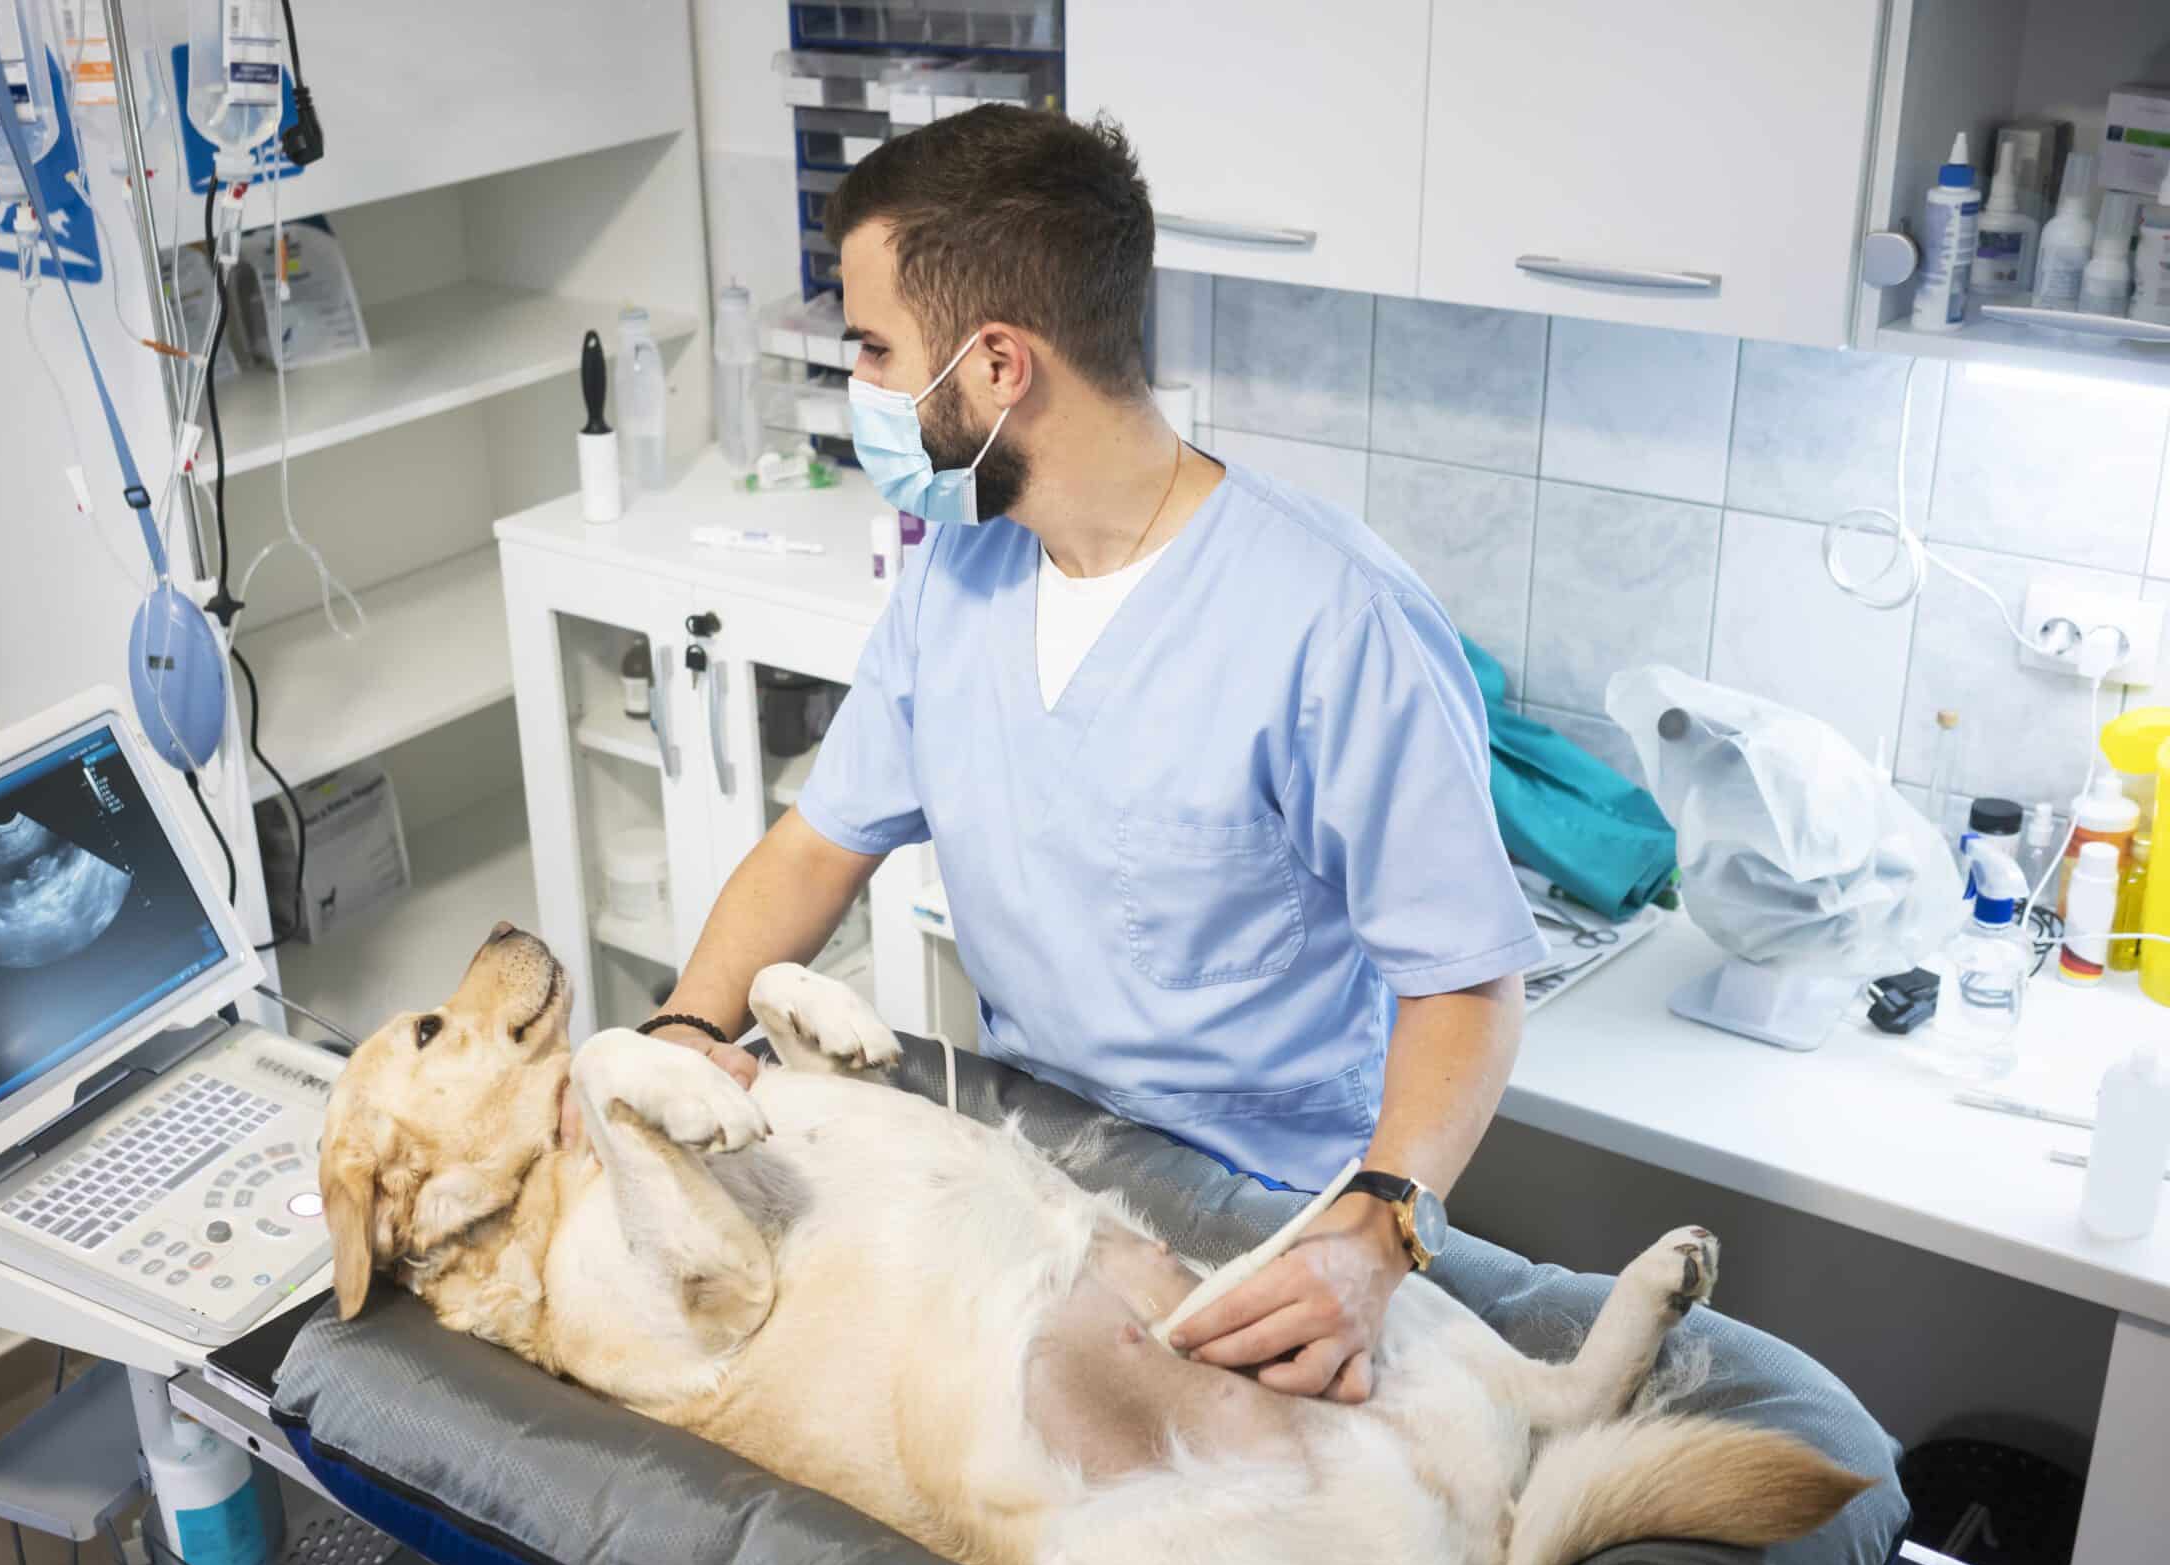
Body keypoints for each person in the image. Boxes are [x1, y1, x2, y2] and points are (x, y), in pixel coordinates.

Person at [581, 106, 1542, 1403]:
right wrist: (693, 1023)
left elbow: (1467, 983)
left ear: (994, 366)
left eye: (872, 349)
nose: (856, 386)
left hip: (1269, 1212)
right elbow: (821, 841)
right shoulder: (960, 573)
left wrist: (1380, 1229)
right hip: (1027, 1163)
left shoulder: (1332, 620)